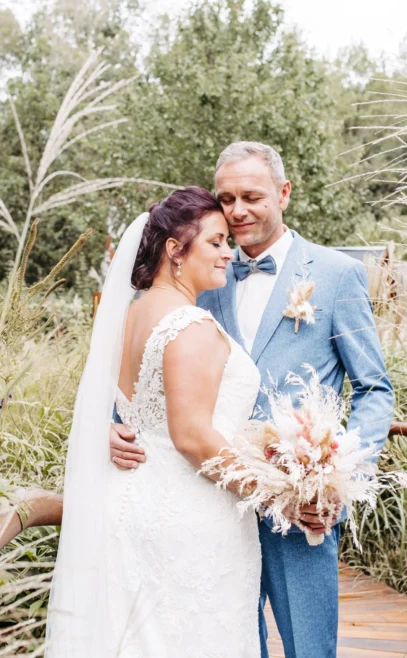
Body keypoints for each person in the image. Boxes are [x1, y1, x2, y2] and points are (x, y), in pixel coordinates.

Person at [110, 142, 395, 658]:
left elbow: (374, 389)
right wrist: (115, 425)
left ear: (283, 194)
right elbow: (155, 371)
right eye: (227, 198)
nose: (238, 210)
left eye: (251, 196)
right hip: (209, 500)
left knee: (308, 648)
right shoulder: (204, 276)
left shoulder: (335, 275)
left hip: (300, 504)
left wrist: (338, 479)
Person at [46, 186, 264, 657]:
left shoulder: (129, 317)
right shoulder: (190, 326)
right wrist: (273, 489)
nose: (230, 252)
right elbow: (191, 436)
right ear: (174, 251)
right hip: (190, 516)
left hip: (131, 498)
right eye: (216, 241)